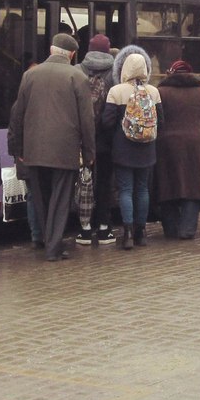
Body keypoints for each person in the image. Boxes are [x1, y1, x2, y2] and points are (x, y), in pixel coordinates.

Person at [7, 33, 95, 261]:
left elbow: (18, 115)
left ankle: (49, 242)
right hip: (64, 151)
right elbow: (87, 120)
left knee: (41, 199)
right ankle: (53, 247)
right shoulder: (78, 76)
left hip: (34, 151)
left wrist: (18, 150)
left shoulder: (29, 75)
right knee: (60, 199)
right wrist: (88, 153)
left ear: (51, 49)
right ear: (73, 54)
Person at [102, 44, 162, 249]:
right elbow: (161, 121)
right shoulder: (153, 92)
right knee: (142, 189)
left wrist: (116, 139)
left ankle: (127, 234)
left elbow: (107, 122)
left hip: (123, 150)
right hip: (147, 150)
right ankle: (141, 232)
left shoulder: (116, 91)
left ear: (123, 68)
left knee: (125, 190)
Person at [154, 59, 200, 239]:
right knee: (193, 186)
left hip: (166, 144)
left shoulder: (160, 92)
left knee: (167, 183)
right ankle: (187, 230)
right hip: (196, 144)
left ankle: (170, 228)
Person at [77, 33, 117, 246]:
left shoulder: (77, 71)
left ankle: (84, 230)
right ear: (108, 50)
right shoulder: (115, 73)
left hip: (83, 139)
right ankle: (103, 228)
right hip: (107, 139)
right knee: (104, 184)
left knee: (84, 183)